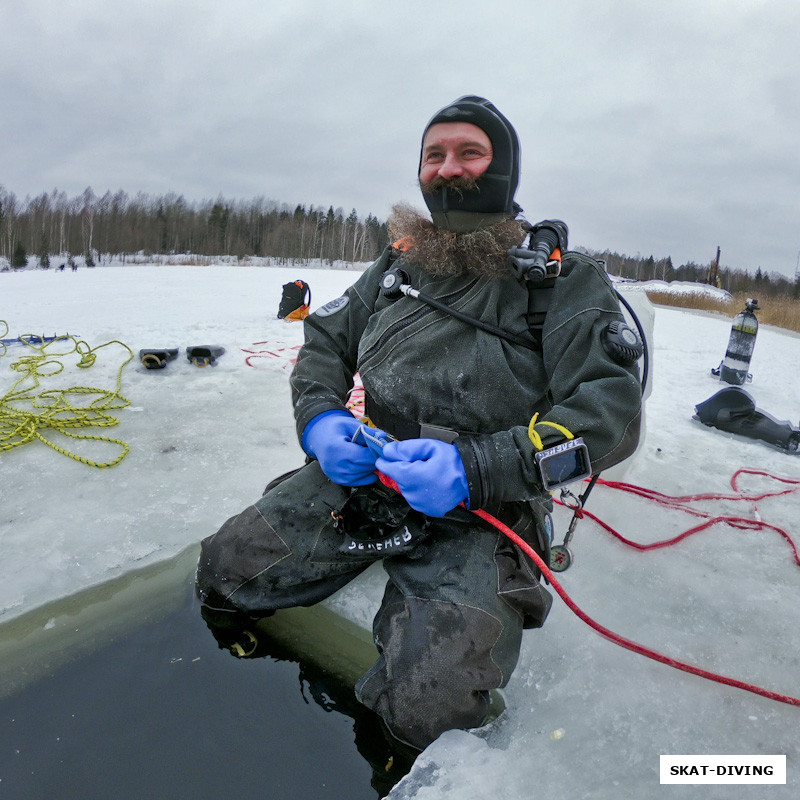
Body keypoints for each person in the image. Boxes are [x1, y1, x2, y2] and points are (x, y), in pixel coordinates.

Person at [196, 95, 642, 753]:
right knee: (226, 569)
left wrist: (477, 468)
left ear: (504, 169)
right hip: (368, 475)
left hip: (483, 509)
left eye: (469, 152)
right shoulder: (399, 263)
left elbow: (609, 415)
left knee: (429, 711)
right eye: (434, 155)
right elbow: (324, 341)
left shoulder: (564, 284)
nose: (447, 167)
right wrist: (320, 420)